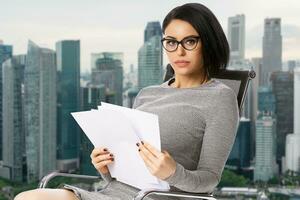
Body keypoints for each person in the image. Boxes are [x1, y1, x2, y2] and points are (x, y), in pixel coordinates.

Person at [15, 3, 239, 200]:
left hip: (158, 198)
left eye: (190, 41)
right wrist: (105, 165)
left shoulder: (220, 98)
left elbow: (209, 180)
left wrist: (172, 173)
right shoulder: (146, 94)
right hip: (112, 193)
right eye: (171, 42)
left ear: (208, 42)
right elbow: (124, 169)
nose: (179, 51)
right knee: (27, 197)